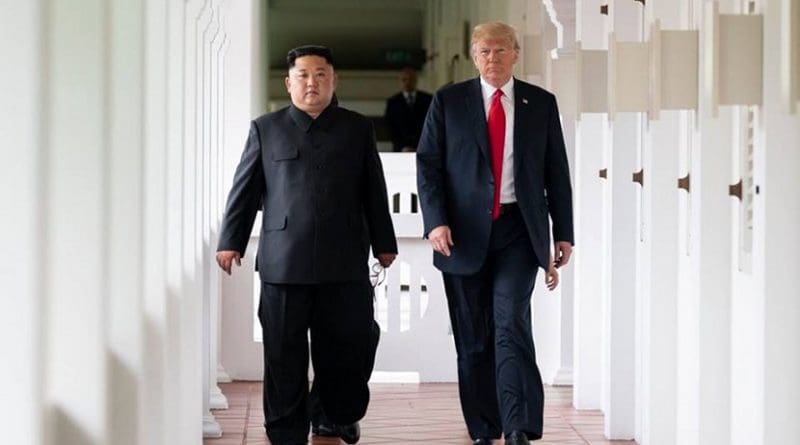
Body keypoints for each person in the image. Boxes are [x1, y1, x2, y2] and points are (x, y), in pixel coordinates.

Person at [216, 45, 397, 445]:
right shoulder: (266, 128)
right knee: (283, 354)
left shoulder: (356, 128)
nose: (311, 82)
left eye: (320, 74)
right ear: (289, 82)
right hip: (284, 262)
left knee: (348, 346)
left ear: (333, 81)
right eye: (303, 75)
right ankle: (285, 430)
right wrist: (231, 240)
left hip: (345, 260)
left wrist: (384, 242)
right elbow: (244, 191)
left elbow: (374, 191)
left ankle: (337, 415)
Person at [416, 22, 574, 445]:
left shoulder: (540, 104)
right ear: (473, 55)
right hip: (462, 235)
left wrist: (564, 232)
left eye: (501, 51)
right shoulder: (449, 102)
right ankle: (485, 428)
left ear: (516, 54)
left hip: (519, 232)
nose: (492, 59)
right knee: (474, 338)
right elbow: (428, 165)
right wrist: (435, 221)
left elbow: (556, 172)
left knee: (511, 325)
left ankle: (519, 424)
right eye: (484, 51)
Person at [383, 67, 433, 152]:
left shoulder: (428, 99)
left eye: (410, 79)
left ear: (416, 81)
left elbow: (431, 124)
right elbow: (390, 127)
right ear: (399, 81)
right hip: (400, 149)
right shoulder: (393, 102)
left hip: (424, 148)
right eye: (404, 80)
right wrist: (402, 146)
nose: (407, 83)